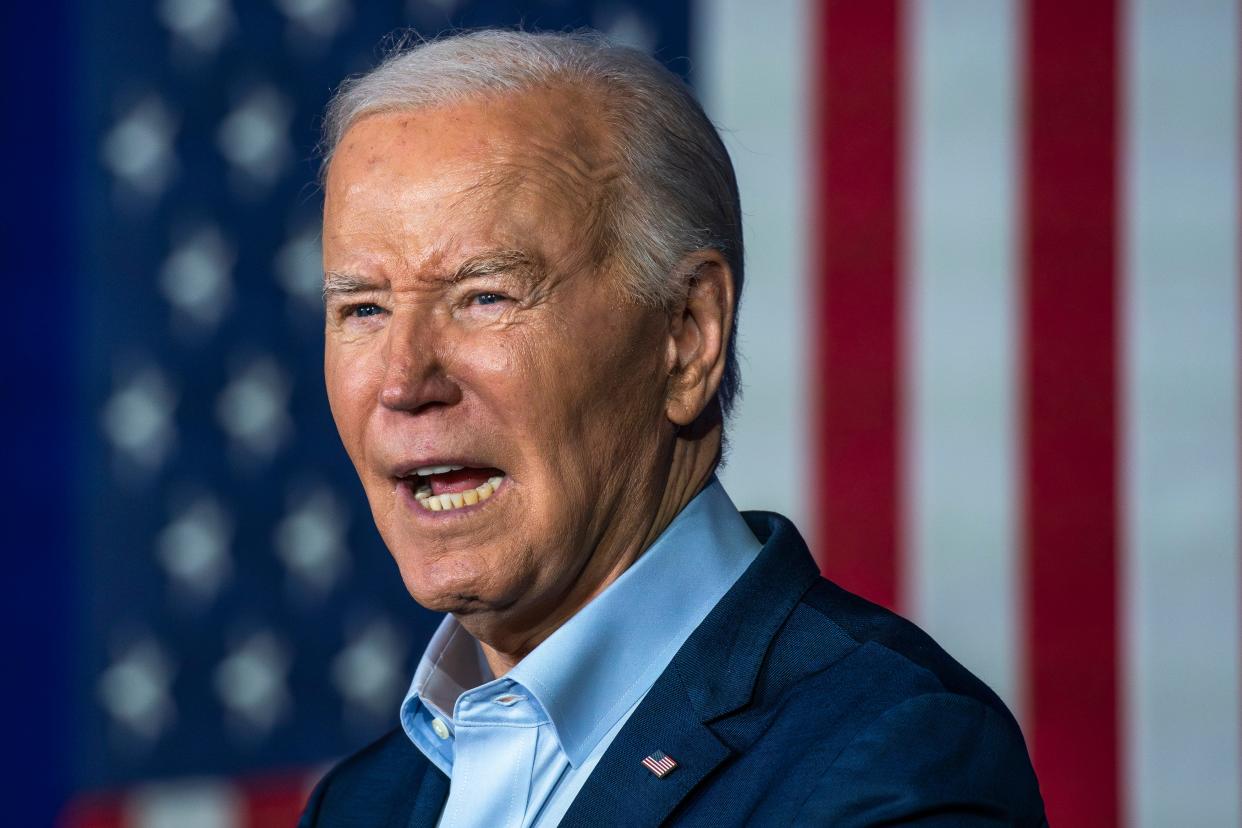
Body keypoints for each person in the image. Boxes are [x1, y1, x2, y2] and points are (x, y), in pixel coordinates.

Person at [300, 29, 1046, 827]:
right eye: (363, 309)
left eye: (486, 296)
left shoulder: (892, 764)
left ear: (687, 336)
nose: (404, 380)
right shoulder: (359, 805)